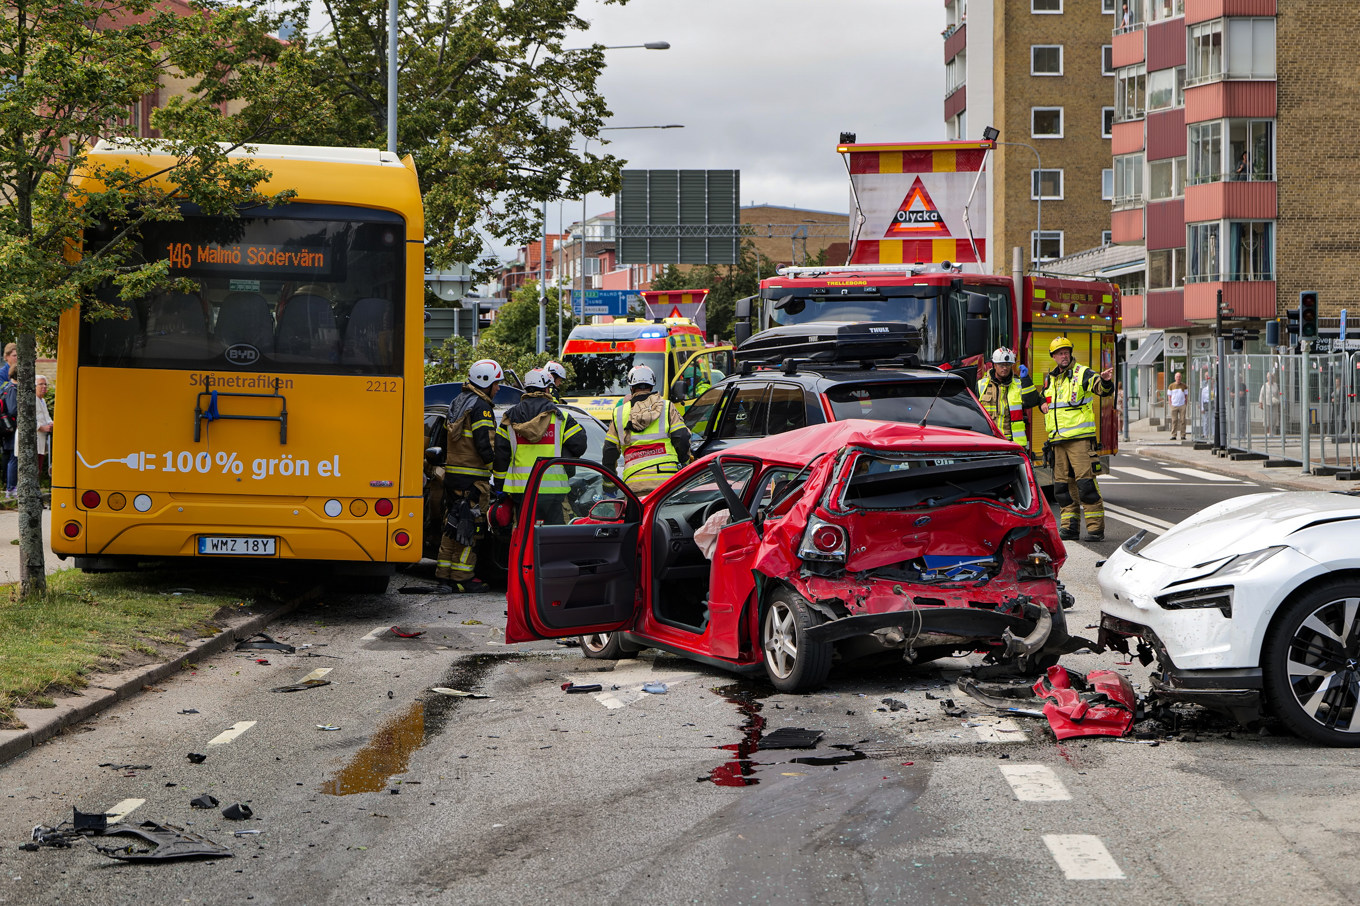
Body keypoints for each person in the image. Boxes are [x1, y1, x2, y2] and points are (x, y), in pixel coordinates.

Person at [434, 358, 502, 592]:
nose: (498, 388)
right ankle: (463, 578)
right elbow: (486, 445)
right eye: (496, 383)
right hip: (473, 481)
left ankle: (444, 576)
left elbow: (445, 440)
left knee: (452, 527)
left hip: (452, 478)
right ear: (486, 382)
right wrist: (498, 470)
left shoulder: (457, 402)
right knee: (471, 530)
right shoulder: (481, 407)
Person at [1040, 337, 1115, 542]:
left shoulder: (1083, 373)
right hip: (1057, 441)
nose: (1064, 356)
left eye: (1066, 352)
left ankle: (1095, 530)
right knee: (1063, 488)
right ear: (1054, 356)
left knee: (1086, 485)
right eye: (1060, 353)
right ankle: (1070, 528)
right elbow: (1044, 399)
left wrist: (1106, 381)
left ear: (1070, 353)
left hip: (1080, 441)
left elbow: (1101, 388)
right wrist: (1042, 405)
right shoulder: (1050, 379)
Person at [493, 369, 587, 522]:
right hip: (553, 491)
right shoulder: (560, 417)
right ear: (546, 389)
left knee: (525, 538)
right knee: (552, 539)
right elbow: (579, 445)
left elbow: (500, 456)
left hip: (521, 491)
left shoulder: (509, 418)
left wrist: (499, 488)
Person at [603, 364, 691, 496]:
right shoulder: (666, 407)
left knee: (639, 516)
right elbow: (682, 438)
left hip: (634, 483)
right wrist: (684, 463)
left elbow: (609, 451)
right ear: (652, 386)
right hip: (667, 482)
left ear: (631, 387)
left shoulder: (619, 413)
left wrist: (609, 485)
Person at [976, 347, 1041, 447]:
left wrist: (1026, 380)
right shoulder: (981, 385)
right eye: (1001, 365)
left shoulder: (1018, 384)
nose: (1005, 368)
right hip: (988, 439)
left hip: (1012, 441)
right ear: (994, 365)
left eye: (1008, 365)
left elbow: (1032, 402)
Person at [0, 367, 18, 496]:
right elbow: (12, 410)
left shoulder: (8, 387)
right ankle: (11, 488)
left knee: (13, 457)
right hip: (11, 429)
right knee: (13, 457)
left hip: (9, 428)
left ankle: (11, 487)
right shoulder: (13, 389)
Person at [34, 375, 52, 479]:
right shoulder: (31, 400)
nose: (44, 386)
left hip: (41, 439)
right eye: (41, 384)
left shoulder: (42, 400)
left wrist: (52, 423)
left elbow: (46, 417)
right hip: (33, 437)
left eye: (45, 384)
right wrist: (41, 427)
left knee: (39, 465)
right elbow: (27, 417)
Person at [1167, 371, 1188, 440]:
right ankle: (1174, 434)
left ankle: (1183, 435)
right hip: (1174, 405)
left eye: (1179, 377)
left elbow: (1186, 395)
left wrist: (1185, 404)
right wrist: (1170, 404)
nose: (1178, 378)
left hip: (1182, 405)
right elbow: (1169, 396)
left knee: (1183, 420)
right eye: (1177, 377)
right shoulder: (1171, 386)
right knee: (1174, 420)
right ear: (1175, 378)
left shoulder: (1184, 386)